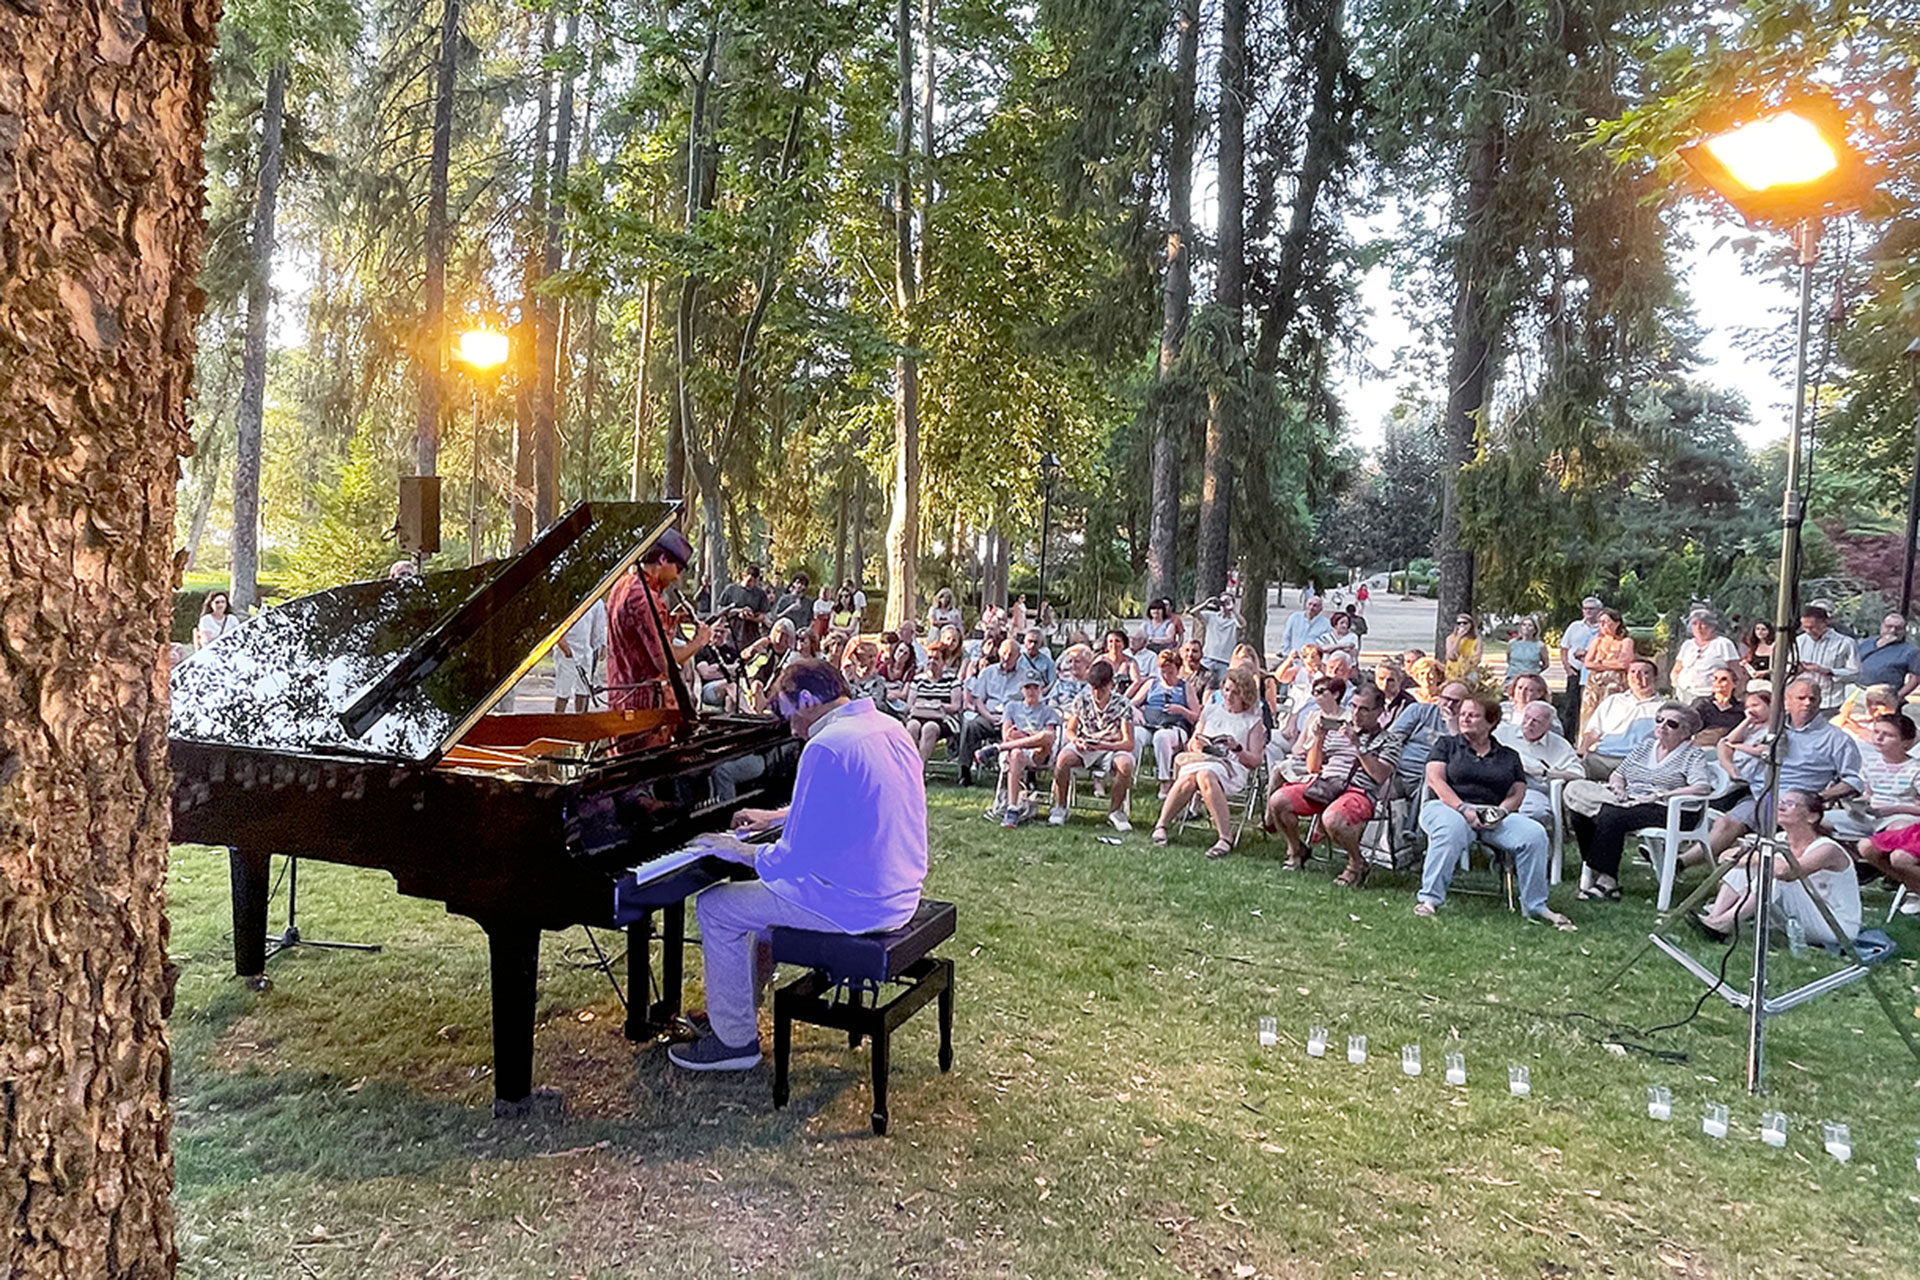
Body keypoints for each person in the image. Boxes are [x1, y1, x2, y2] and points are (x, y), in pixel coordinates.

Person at [670, 660, 927, 1071]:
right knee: (753, 905)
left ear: (807, 700)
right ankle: (732, 1009)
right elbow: (846, 802)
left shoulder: (826, 745)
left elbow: (792, 860)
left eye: (786, 711)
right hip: (900, 892)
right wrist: (776, 818)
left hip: (855, 903)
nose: (788, 726)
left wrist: (736, 850)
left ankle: (735, 1043)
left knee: (717, 906)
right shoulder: (886, 727)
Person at [1416, 696, 1574, 929]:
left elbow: (1518, 791)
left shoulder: (1508, 755)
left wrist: (1501, 812)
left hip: (1493, 812)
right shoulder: (1446, 745)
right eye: (1463, 714)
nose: (1465, 719)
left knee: (1534, 834)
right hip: (1447, 806)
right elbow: (1436, 781)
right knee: (1451, 829)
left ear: (1491, 722)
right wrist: (1463, 808)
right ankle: (1429, 899)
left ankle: (1536, 905)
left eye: (1473, 715)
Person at [1565, 702, 1713, 902]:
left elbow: (1701, 787)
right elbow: (1619, 773)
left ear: (1686, 732)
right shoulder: (1645, 747)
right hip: (1631, 800)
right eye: (1659, 721)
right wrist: (1619, 787)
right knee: (1580, 813)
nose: (1662, 726)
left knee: (1611, 815)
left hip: (1671, 809)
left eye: (1672, 724)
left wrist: (1661, 796)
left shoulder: (1692, 755)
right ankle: (1600, 872)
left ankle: (1608, 882)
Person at [1709, 677, 1863, 856]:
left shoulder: (1836, 739)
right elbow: (1724, 744)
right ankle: (1679, 864)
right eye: (1801, 698)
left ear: (1820, 702)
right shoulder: (1771, 727)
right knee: (1726, 823)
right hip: (1761, 797)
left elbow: (1853, 781)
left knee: (1781, 834)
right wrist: (1730, 768)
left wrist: (1817, 797)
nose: (1807, 703)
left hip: (1798, 805)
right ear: (1786, 701)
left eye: (1813, 699)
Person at [1266, 680, 1398, 884]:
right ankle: (1296, 849)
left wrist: (1358, 746)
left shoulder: (1390, 740)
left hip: (1360, 792)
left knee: (1332, 819)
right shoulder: (1340, 732)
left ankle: (1356, 864)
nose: (1356, 714)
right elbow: (1313, 768)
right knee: (1278, 800)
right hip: (1326, 784)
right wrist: (1319, 738)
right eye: (1354, 706)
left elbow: (1380, 775)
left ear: (1379, 711)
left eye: (1364, 709)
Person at [1698, 790, 1859, 948]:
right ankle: (1715, 918)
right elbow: (1725, 856)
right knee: (1747, 868)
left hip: (1835, 926)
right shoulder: (1779, 839)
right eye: (1780, 803)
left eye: (1790, 804)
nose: (1780, 808)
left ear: (1812, 817)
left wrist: (1754, 857)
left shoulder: (1827, 849)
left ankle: (1725, 923)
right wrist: (1753, 858)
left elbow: (1786, 872)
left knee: (1774, 874)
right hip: (1803, 913)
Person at [1151, 665, 1268, 857]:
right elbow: (1192, 742)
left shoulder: (1252, 721)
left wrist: (1237, 748)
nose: (1229, 695)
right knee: (1191, 776)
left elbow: (1255, 760)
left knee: (1204, 775)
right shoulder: (1211, 710)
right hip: (1204, 758)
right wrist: (1199, 744)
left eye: (1235, 693)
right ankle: (1161, 825)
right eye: (1227, 689)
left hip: (1232, 766)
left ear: (1245, 695)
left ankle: (1225, 837)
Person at [606, 529, 709, 713]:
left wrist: (671, 620)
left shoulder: (622, 584)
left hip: (621, 698)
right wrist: (699, 641)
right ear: (662, 559)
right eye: (678, 568)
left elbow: (636, 640)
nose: (677, 577)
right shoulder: (644, 597)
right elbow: (665, 662)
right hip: (644, 708)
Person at [1050, 659, 1137, 831]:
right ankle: (1060, 806)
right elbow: (1071, 730)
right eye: (1094, 688)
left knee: (1126, 764)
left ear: (1111, 685)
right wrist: (1076, 741)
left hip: (1111, 746)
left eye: (1101, 689)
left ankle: (1115, 811)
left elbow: (1128, 743)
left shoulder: (1123, 704)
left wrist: (1106, 746)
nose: (1097, 694)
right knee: (1063, 759)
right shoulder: (1082, 699)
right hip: (1086, 744)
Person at [1854, 716, 1920, 904]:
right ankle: (1901, 879)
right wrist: (1859, 803)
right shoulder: (1870, 763)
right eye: (1876, 732)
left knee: (1894, 830)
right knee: (1822, 821)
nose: (1879, 738)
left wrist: (1892, 809)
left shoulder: (1915, 769)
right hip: (1872, 815)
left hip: (1900, 815)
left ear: (1906, 743)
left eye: (1888, 735)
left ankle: (1909, 882)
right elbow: (1868, 793)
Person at [995, 674, 1063, 826]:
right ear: (1022, 689)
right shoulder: (1012, 707)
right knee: (1016, 753)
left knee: (1046, 736)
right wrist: (1031, 737)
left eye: (1035, 687)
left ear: (1040, 689)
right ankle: (1012, 808)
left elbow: (1048, 738)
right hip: (1015, 751)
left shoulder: (1049, 711)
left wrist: (1023, 736)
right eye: (1027, 687)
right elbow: (1007, 734)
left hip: (1038, 753)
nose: (1031, 691)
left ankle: (997, 749)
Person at [1131, 647, 1200, 796]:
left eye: (1170, 672)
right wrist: (1136, 711)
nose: (1166, 676)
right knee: (1135, 735)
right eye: (1163, 672)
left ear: (1178, 669)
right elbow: (1131, 703)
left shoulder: (1185, 687)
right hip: (1151, 724)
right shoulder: (1152, 684)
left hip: (1174, 726)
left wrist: (1182, 710)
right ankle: (1129, 776)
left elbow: (1196, 716)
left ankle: (1164, 781)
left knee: (1161, 737)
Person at [1383, 679, 1469, 798]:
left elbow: (1462, 756)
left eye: (1455, 702)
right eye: (1446, 699)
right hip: (1398, 773)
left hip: (1431, 782)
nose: (1449, 705)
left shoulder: (1467, 726)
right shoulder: (1419, 710)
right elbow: (1392, 739)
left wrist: (1451, 725)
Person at [957, 639, 1027, 786]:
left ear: (1018, 656)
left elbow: (1028, 703)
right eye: (1004, 653)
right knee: (970, 725)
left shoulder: (1025, 676)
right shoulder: (988, 672)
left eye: (1011, 654)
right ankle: (964, 771)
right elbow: (978, 700)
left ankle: (1025, 777)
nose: (1006, 657)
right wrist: (988, 716)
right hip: (989, 716)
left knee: (1028, 730)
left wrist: (1008, 719)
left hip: (1013, 721)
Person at [1579, 658, 1664, 778]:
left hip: (1638, 763)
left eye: (1644, 672)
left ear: (1655, 678)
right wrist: (1582, 751)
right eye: (1633, 672)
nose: (1637, 677)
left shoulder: (1663, 708)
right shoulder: (1613, 701)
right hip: (1602, 758)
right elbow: (1592, 731)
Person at [1506, 700, 1583, 822]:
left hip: (1531, 791)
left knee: (1536, 812)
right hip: (1498, 785)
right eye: (1527, 717)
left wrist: (1543, 772)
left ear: (1548, 726)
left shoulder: (1559, 745)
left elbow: (1578, 774)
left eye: (1537, 721)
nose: (1529, 723)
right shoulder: (1504, 733)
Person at [1791, 604, 1857, 718]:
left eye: (1813, 627)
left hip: (1829, 703)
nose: (1809, 631)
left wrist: (1828, 671)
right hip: (1801, 702)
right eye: (1805, 627)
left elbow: (1855, 673)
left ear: (1824, 623)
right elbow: (1786, 668)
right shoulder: (1798, 642)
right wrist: (1796, 669)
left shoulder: (1845, 643)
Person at [1577, 608, 1635, 734]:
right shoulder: (1597, 642)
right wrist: (1611, 664)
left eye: (1606, 622)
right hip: (1595, 685)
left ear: (1616, 623)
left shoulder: (1625, 642)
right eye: (1600, 622)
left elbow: (1624, 663)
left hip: (1615, 685)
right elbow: (1588, 663)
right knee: (1590, 715)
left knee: (1612, 714)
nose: (1602, 625)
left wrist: (1600, 663)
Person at [551, 596, 609, 713]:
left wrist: (602, 645)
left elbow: (599, 627)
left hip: (586, 652)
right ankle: (557, 722)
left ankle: (580, 721)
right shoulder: (565, 597)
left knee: (583, 690)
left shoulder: (596, 601)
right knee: (563, 691)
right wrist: (562, 644)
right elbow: (554, 622)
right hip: (566, 651)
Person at [1670, 612, 1743, 702]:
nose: (1698, 628)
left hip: (1712, 694)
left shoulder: (1723, 644)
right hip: (1685, 693)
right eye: (1694, 624)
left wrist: (1736, 694)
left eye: (1703, 624)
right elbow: (1677, 669)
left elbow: (1737, 671)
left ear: (1711, 626)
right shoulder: (1687, 645)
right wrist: (1676, 683)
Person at [905, 651, 964, 761]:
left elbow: (956, 706)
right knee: (912, 727)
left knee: (929, 728)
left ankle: (919, 767)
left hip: (943, 718)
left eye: (936, 659)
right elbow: (909, 705)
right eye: (929, 658)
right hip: (919, 715)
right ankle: (910, 763)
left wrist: (937, 705)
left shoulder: (952, 680)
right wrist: (926, 705)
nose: (932, 662)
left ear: (944, 662)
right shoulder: (918, 679)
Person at [1558, 596, 1604, 736]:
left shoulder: (1603, 628)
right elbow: (1564, 648)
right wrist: (1568, 668)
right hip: (1575, 670)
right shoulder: (1575, 626)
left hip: (1593, 672)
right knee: (1571, 706)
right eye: (1585, 609)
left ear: (1599, 610)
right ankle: (1568, 736)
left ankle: (1586, 735)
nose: (1588, 612)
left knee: (1590, 706)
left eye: (1591, 609)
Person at [1855, 613, 1920, 701]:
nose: (1893, 630)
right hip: (1856, 691)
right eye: (1889, 626)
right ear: (1882, 626)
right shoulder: (1865, 643)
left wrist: (1898, 696)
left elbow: (1915, 678)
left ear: (1904, 630)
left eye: (1898, 628)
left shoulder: (1910, 651)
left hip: (1883, 697)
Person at [693, 615, 743, 711]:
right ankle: (751, 714)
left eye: (722, 632)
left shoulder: (732, 651)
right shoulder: (703, 649)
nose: (719, 634)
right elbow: (706, 674)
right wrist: (728, 670)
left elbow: (738, 672)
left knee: (730, 699)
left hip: (726, 690)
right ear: (710, 631)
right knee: (730, 685)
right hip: (707, 690)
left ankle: (732, 723)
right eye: (716, 631)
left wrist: (718, 668)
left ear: (727, 634)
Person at [715, 564, 771, 647]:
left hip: (750, 635)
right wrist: (738, 611)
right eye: (750, 580)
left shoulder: (760, 594)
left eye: (755, 582)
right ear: (744, 576)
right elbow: (720, 610)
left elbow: (763, 616)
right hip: (732, 633)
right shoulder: (731, 590)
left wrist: (751, 617)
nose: (752, 584)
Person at [1195, 585, 1242, 680]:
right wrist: (1206, 603)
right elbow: (1193, 613)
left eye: (1227, 602)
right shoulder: (1212, 616)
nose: (1224, 605)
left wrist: (1233, 610)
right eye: (1222, 602)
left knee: (1221, 687)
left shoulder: (1234, 620)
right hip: (1208, 659)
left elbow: (1243, 624)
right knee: (1202, 685)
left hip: (1225, 661)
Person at [1690, 664, 1746, 743]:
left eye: (1724, 679)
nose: (1718, 682)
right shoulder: (1702, 704)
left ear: (1734, 684)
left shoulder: (1740, 709)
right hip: (1702, 745)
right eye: (1715, 679)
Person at [1278, 595, 1332, 659]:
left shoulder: (1326, 623)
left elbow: (1326, 643)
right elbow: (1286, 636)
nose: (1311, 607)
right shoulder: (1294, 617)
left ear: (1320, 609)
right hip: (1293, 657)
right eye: (1310, 604)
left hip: (1313, 659)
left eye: (1315, 606)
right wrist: (1287, 652)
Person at [1504, 616, 1546, 681]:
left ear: (1535, 629)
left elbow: (1546, 664)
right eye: (1524, 625)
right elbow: (1509, 660)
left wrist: (1535, 672)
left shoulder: (1540, 646)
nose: (1526, 627)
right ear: (1520, 628)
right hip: (1513, 678)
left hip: (1531, 679)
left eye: (1530, 625)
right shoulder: (1512, 643)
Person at [1443, 614, 1483, 681]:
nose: (1462, 625)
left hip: (1469, 672)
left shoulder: (1477, 640)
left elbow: (1478, 658)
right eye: (1459, 623)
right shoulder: (1450, 639)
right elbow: (1451, 656)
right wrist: (1459, 638)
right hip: (1453, 671)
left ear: (1470, 625)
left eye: (1465, 623)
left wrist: (1467, 664)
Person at [1100, 628, 1138, 695]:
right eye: (1111, 641)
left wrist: (1123, 698)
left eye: (1117, 641)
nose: (1114, 644)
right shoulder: (1101, 660)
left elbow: (1136, 682)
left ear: (1124, 644)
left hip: (1125, 696)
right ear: (1107, 645)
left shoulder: (1131, 662)